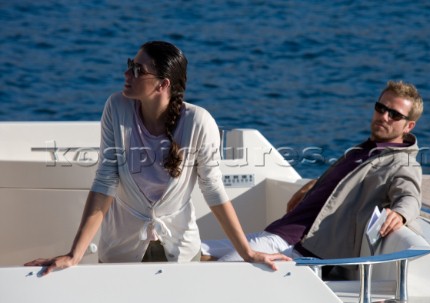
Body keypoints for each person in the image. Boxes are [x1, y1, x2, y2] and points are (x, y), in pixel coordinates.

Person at [25, 41, 290, 275]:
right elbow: (105, 182)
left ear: (163, 84)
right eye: (131, 65)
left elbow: (213, 190)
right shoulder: (116, 108)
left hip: (181, 254)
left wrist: (247, 252)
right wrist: (75, 255)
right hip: (120, 251)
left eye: (138, 70)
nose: (127, 73)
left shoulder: (198, 122)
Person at [202, 80, 423, 264]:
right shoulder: (366, 149)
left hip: (298, 246)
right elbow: (350, 184)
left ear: (409, 126)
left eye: (394, 114)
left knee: (221, 271)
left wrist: (401, 213)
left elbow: (410, 195)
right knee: (193, 252)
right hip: (277, 233)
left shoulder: (402, 162)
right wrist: (315, 184)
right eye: (381, 108)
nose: (384, 116)